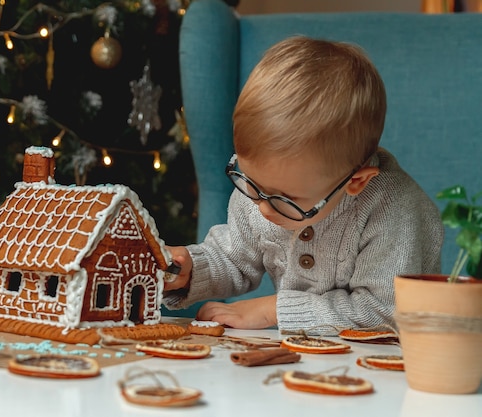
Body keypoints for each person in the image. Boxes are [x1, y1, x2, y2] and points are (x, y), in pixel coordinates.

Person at [163, 36, 444, 333]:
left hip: (386, 366)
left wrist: (273, 310)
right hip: (304, 357)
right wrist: (192, 269)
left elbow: (386, 312)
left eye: (285, 199)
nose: (261, 208)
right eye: (251, 183)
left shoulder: (394, 209)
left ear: (356, 182)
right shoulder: (262, 191)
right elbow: (235, 258)